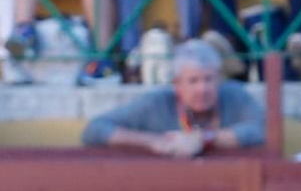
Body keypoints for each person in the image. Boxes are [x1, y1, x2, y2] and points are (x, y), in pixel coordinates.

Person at [79, 33, 264, 150]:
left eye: (208, 79)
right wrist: (153, 141)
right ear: (177, 84)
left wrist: (204, 139)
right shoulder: (156, 103)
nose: (202, 88)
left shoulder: (234, 95)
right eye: (193, 81)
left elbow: (263, 129)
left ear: (219, 79)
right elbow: (95, 130)